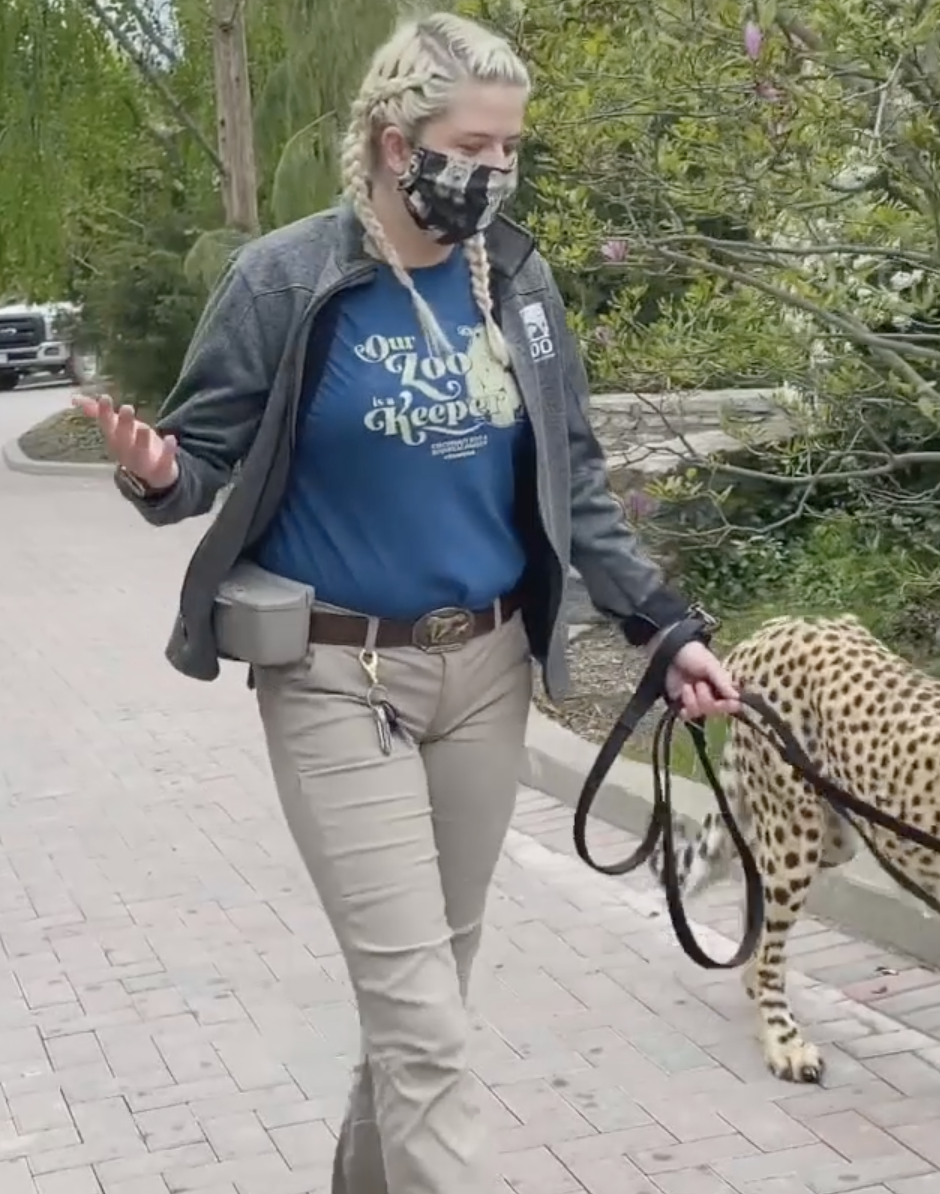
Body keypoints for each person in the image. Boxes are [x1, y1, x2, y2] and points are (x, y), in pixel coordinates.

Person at [72, 12, 739, 1194]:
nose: (494, 172)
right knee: (420, 1018)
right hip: (337, 678)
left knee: (428, 998)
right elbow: (204, 456)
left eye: (510, 150)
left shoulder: (519, 283)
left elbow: (571, 476)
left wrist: (662, 624)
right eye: (472, 146)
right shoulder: (286, 278)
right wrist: (161, 470)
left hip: (483, 677)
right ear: (394, 143)